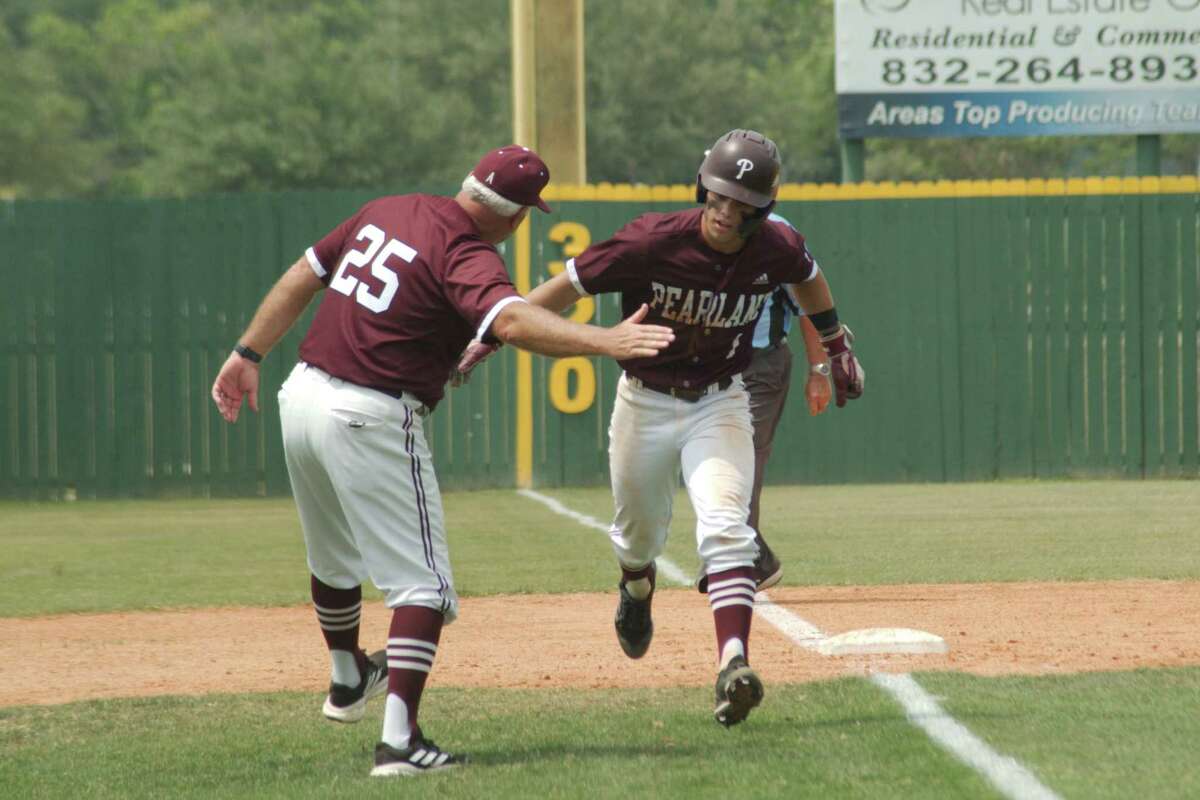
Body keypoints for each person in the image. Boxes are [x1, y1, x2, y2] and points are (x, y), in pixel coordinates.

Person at [210, 145, 674, 777]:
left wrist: (247, 352)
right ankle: (400, 743)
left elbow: (302, 273)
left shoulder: (388, 208)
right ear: (516, 218)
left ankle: (348, 676)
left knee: (333, 558)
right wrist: (608, 340)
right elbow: (510, 323)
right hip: (369, 414)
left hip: (302, 395)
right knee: (423, 587)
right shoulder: (466, 251)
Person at [521, 129, 864, 727]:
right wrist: (499, 326)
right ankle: (636, 589)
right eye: (718, 196)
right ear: (701, 186)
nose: (725, 212)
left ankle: (734, 663)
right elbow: (564, 288)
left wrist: (832, 343)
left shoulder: (774, 247)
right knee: (636, 537)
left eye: (742, 204)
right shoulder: (650, 241)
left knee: (729, 528)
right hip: (645, 401)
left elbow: (809, 278)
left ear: (763, 211)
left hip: (721, 400)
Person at [696, 223, 835, 594]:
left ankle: (732, 560)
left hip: (762, 363)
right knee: (715, 458)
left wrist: (820, 371)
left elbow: (810, 305)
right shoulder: (699, 233)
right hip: (715, 364)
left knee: (741, 459)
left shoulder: (777, 235)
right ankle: (756, 557)